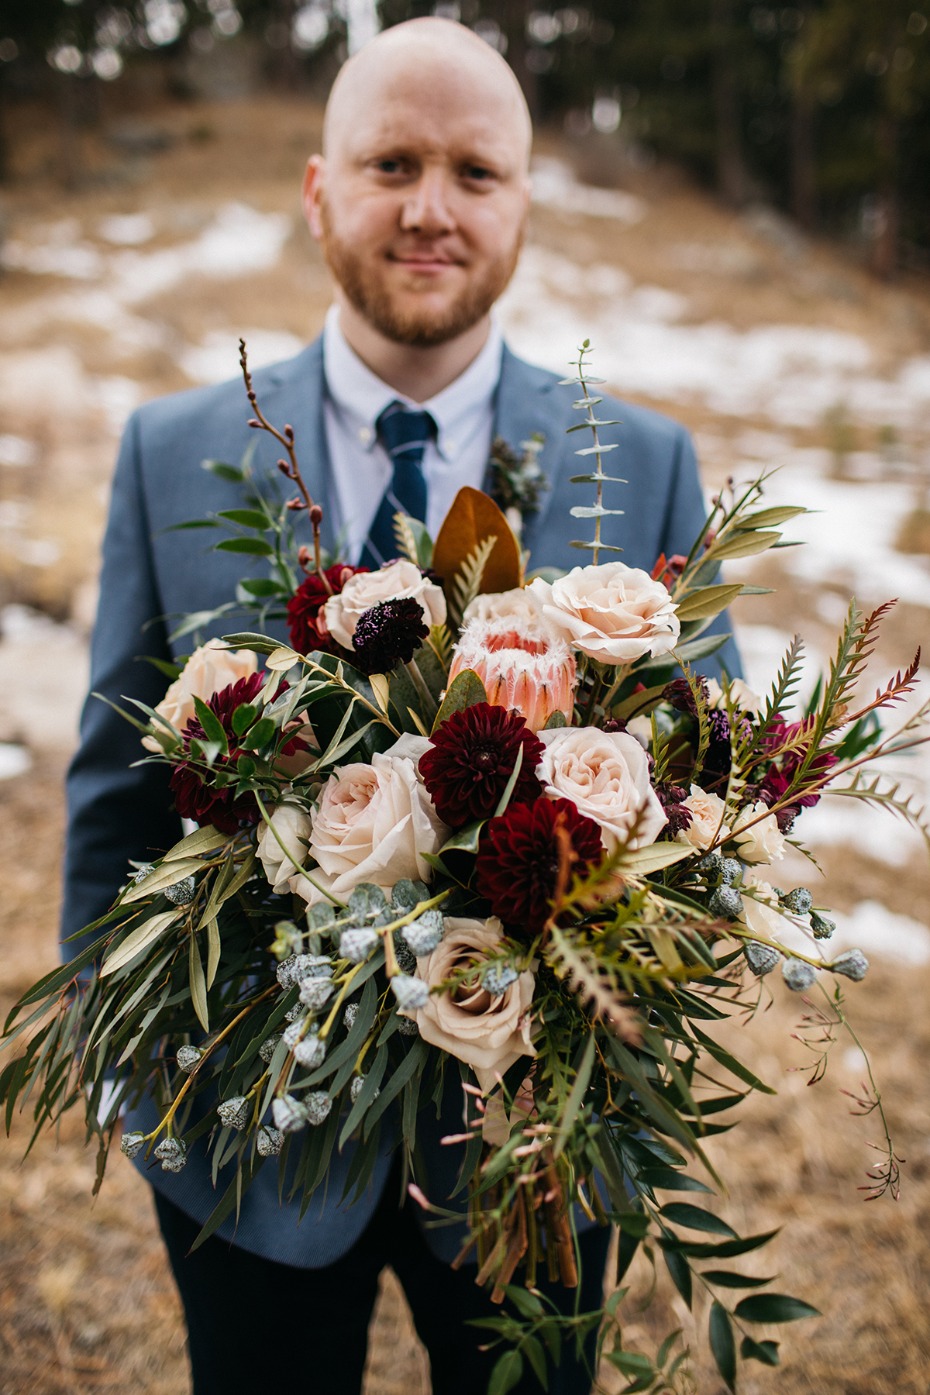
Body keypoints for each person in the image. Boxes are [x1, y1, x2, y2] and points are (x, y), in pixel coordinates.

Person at [62, 17, 740, 1395]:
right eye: (391, 163)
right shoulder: (173, 453)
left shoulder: (642, 467)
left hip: (534, 1163)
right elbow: (114, 794)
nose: (431, 209)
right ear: (320, 189)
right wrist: (144, 1090)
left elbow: (709, 806)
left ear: (524, 204)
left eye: (474, 173)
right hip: (247, 1154)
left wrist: (623, 1068)